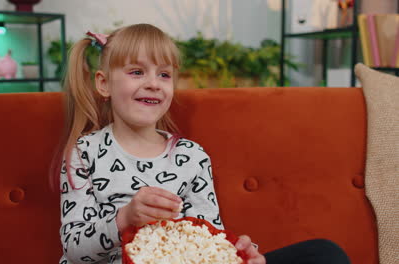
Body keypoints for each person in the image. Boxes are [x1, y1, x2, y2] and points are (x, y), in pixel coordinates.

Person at [51, 23, 349, 264]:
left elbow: (208, 237)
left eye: (164, 74)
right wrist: (125, 218)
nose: (154, 82)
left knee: (324, 253)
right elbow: (75, 251)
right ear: (103, 84)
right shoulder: (83, 154)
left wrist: (238, 253)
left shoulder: (191, 157)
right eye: (137, 72)